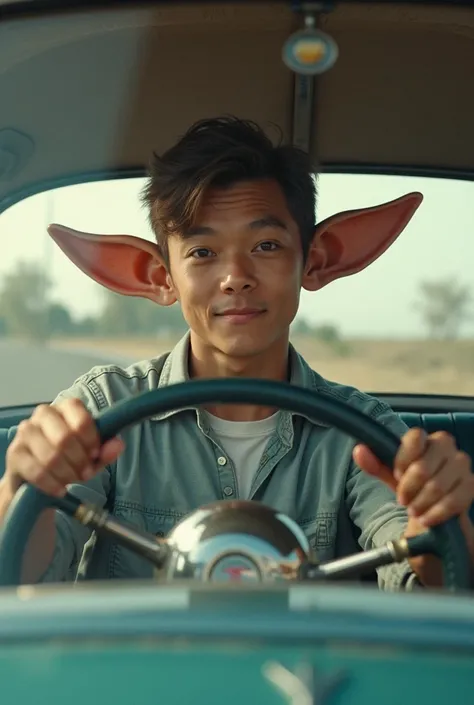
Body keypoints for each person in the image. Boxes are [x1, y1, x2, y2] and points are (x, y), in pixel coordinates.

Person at [1, 116, 473, 588]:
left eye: (266, 245)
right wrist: (24, 489)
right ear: (160, 276)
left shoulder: (363, 434)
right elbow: (22, 583)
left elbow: (426, 585)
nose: (236, 277)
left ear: (313, 261)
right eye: (203, 252)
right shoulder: (103, 409)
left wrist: (434, 514)